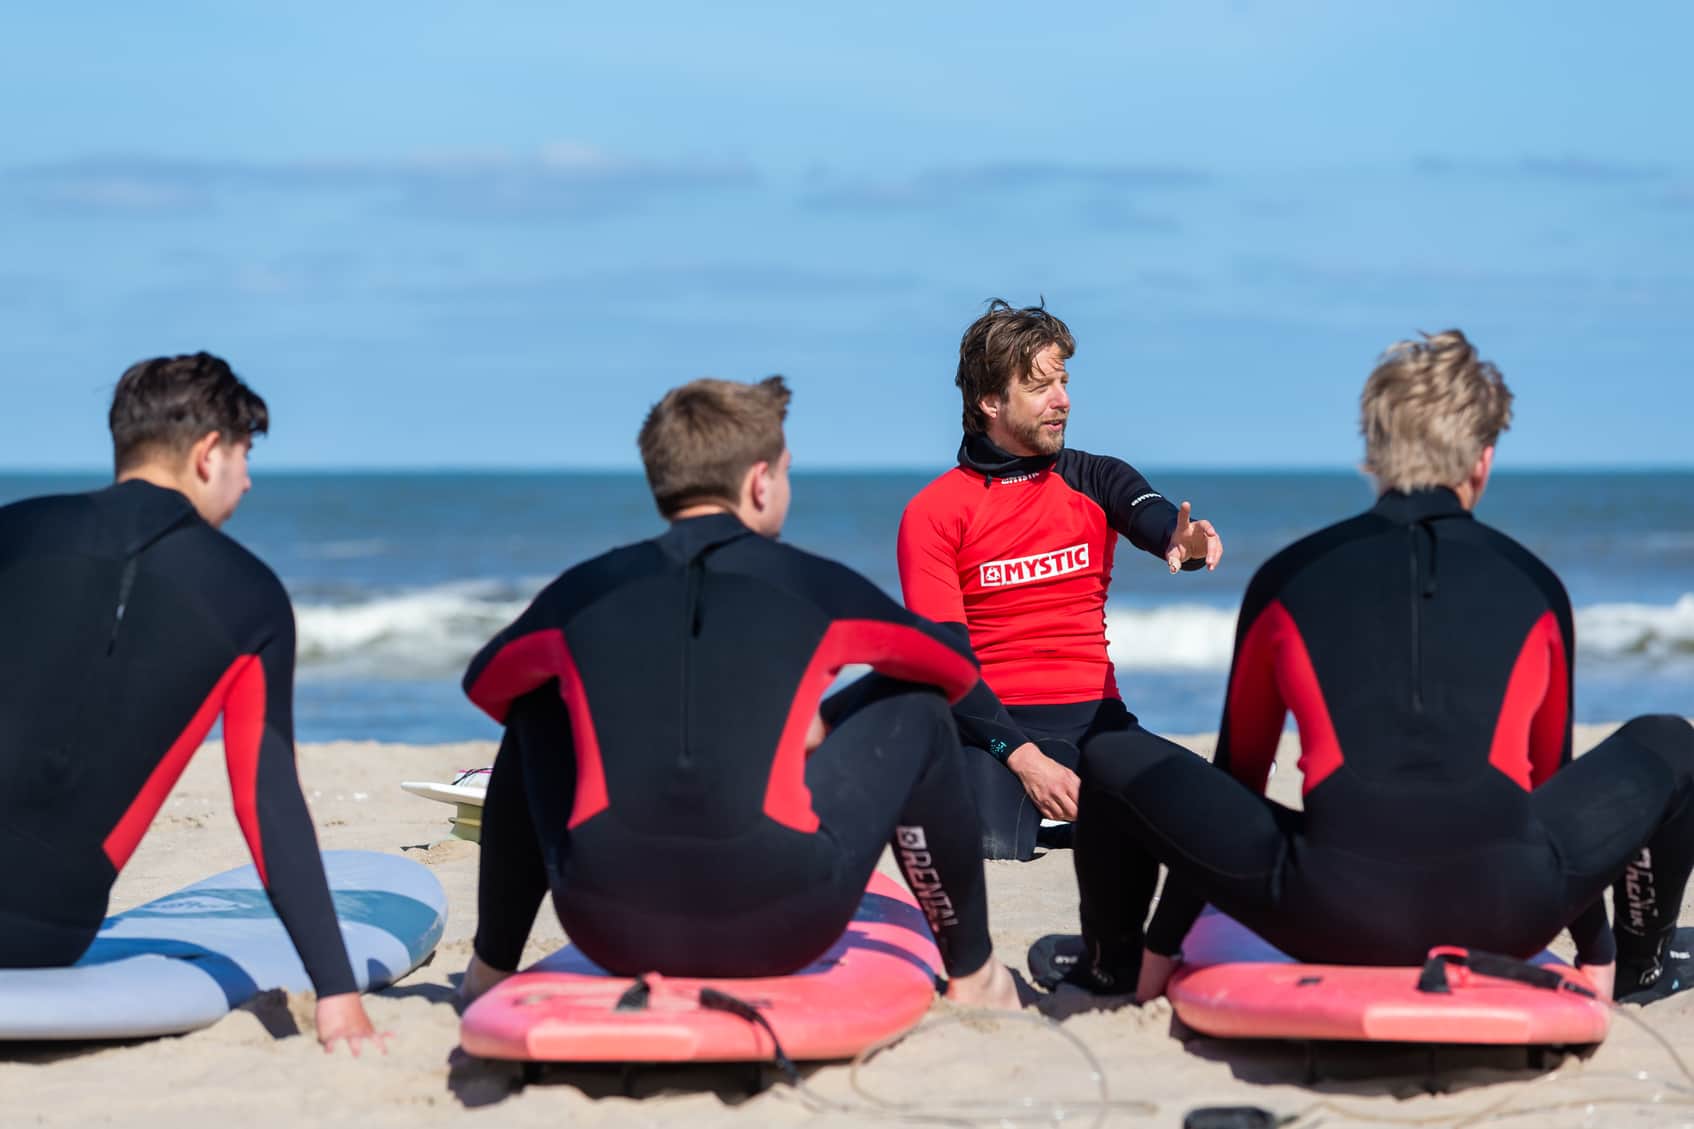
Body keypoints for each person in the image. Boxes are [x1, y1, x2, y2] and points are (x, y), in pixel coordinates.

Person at [1062, 330, 1694, 1004]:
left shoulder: (1288, 577)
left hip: (1325, 912)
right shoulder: (1538, 587)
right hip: (1509, 912)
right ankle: (1640, 966)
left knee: (1109, 753)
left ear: (1373, 453)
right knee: (1670, 739)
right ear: (1483, 459)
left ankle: (1112, 964)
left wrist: (1165, 946)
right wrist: (1590, 948)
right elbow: (1550, 789)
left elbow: (1240, 779)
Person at [457, 376, 1019, 1009]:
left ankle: (491, 968)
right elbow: (953, 668)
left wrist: (622, 713)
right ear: (759, 481)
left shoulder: (585, 589)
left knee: (537, 704)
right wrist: (795, 718)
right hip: (781, 924)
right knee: (916, 705)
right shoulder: (812, 585)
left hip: (607, 925)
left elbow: (488, 685)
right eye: (785, 472)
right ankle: (974, 976)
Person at [0, 353, 383, 1051]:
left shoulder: (15, 529)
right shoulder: (252, 596)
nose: (247, 478)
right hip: (35, 929)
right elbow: (267, 804)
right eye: (244, 456)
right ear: (209, 453)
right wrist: (335, 991)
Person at [898, 300, 1224, 860]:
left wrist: (1181, 541)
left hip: (1100, 727)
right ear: (990, 401)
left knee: (1218, 814)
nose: (1063, 401)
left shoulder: (1096, 477)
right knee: (988, 844)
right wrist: (1026, 761)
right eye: (1039, 387)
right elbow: (946, 667)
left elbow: (1149, 515)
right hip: (992, 739)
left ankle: (1092, 817)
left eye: (1064, 382)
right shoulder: (935, 512)